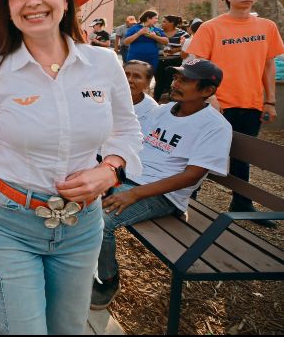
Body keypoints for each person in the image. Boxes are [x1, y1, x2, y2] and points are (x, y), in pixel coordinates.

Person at [0, 0, 143, 335]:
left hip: (82, 227)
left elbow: (127, 130)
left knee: (68, 329)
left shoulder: (103, 65)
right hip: (8, 225)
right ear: (8, 8)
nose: (33, 1)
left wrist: (111, 171)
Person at [92, 59, 232, 309]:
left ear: (207, 91)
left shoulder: (215, 126)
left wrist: (134, 193)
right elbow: (133, 143)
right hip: (130, 180)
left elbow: (191, 176)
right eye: (176, 78)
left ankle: (108, 279)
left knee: (100, 222)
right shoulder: (163, 110)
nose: (176, 83)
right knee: (74, 198)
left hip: (162, 196)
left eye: (185, 81)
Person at [185, 0, 284, 226]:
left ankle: (242, 202)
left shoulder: (267, 27)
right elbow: (194, 62)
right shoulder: (211, 27)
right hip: (219, 104)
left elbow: (268, 64)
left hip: (251, 103)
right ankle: (185, 198)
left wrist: (269, 100)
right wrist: (212, 97)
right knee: (203, 154)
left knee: (244, 155)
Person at [153, 15, 188, 102]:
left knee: (171, 81)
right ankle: (156, 101)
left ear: (171, 23)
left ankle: (172, 102)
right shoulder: (157, 32)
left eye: (164, 21)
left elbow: (188, 45)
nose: (162, 23)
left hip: (175, 61)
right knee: (159, 82)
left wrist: (176, 49)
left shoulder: (182, 33)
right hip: (160, 60)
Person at [124, 60, 159, 127]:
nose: (129, 80)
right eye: (126, 74)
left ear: (147, 83)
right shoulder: (107, 98)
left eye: (137, 76)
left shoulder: (152, 110)